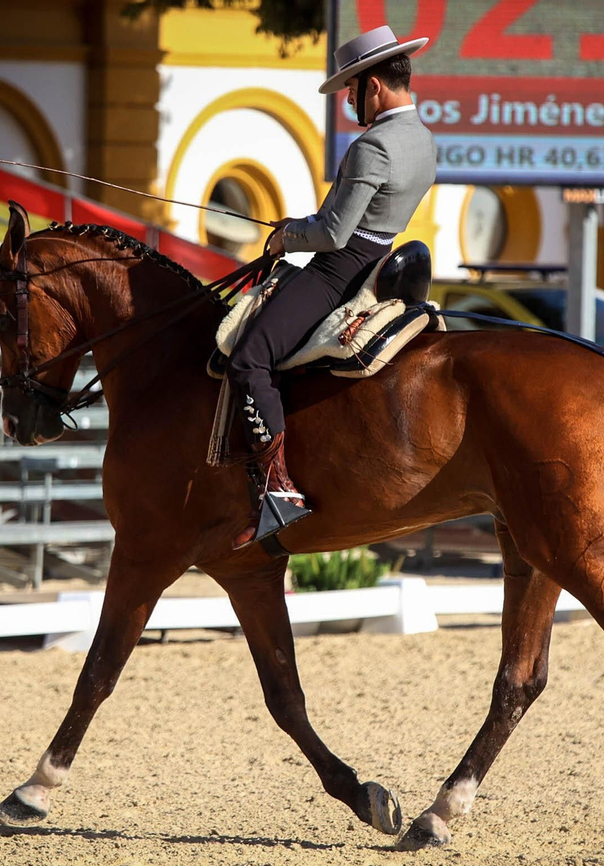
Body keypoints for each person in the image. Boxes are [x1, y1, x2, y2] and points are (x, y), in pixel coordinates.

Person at [225, 25, 437, 550]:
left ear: (375, 87)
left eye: (351, 89)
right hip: (381, 258)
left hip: (337, 270)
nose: (348, 100)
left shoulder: (374, 146)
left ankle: (279, 492)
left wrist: (285, 237)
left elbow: (334, 233)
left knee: (248, 357)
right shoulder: (425, 140)